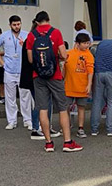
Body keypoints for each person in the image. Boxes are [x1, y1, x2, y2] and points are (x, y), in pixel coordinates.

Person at [26, 11, 82, 152]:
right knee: (63, 108)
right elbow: (63, 55)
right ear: (48, 20)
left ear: (37, 22)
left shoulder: (31, 35)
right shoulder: (56, 33)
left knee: (42, 109)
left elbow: (31, 59)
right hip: (55, 75)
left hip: (38, 76)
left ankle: (48, 143)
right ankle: (67, 142)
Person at [0, 16, 31, 130]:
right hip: (9, 70)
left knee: (25, 96)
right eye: (14, 25)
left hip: (23, 70)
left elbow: (31, 49)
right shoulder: (4, 36)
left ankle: (27, 120)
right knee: (10, 97)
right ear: (10, 25)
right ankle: (11, 121)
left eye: (18, 24)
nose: (16, 27)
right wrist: (1, 62)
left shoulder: (27, 35)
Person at [64, 31, 95, 138]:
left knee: (81, 107)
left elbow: (90, 71)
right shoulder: (69, 54)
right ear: (77, 43)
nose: (87, 45)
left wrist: (89, 84)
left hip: (82, 86)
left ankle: (80, 128)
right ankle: (66, 125)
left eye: (88, 43)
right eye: (84, 43)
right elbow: (64, 68)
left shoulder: (89, 55)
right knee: (66, 107)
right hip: (69, 85)